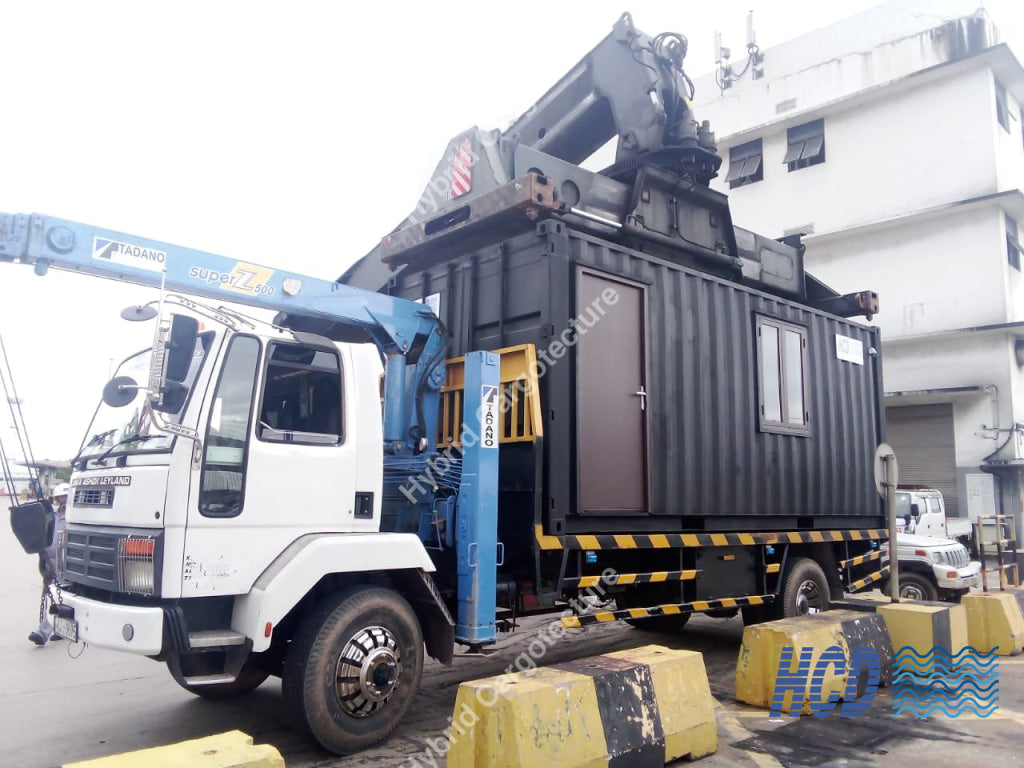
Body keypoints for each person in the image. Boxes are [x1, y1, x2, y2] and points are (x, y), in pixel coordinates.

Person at [28, 482, 69, 646]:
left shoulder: (75, 516)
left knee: (60, 595)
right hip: (49, 560)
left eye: (66, 496)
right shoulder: (53, 516)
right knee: (49, 593)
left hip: (67, 562)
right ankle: (55, 629)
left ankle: (43, 632)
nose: (63, 499)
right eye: (61, 497)